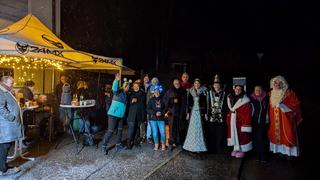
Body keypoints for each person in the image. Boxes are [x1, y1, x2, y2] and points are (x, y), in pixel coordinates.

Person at [268, 75, 302, 158]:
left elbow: (296, 105)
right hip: (275, 119)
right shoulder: (271, 93)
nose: (277, 85)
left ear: (283, 84)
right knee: (276, 135)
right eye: (275, 83)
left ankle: (289, 153)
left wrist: (283, 106)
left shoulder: (289, 93)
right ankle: (280, 151)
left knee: (288, 134)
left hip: (286, 119)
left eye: (280, 83)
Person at [101, 73, 130, 154]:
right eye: (126, 86)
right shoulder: (118, 92)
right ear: (123, 86)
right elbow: (114, 88)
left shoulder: (126, 95)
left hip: (121, 115)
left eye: (128, 87)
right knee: (110, 131)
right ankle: (104, 146)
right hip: (113, 114)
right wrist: (116, 80)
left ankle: (118, 144)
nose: (127, 88)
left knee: (120, 130)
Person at [0, 76, 22, 175]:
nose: (13, 85)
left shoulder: (5, 90)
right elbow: (1, 108)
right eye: (11, 83)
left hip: (8, 124)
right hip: (6, 124)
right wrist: (11, 117)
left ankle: (2, 166)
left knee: (5, 145)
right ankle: (2, 169)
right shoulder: (1, 92)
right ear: (4, 83)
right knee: (5, 145)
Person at [226, 77, 252, 158]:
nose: (237, 90)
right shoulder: (231, 98)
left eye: (239, 89)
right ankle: (235, 149)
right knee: (234, 135)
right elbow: (231, 110)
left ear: (242, 90)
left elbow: (247, 114)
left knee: (241, 136)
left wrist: (245, 125)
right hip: (233, 121)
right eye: (236, 89)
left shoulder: (245, 101)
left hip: (241, 122)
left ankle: (242, 150)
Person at [183, 78, 207, 153]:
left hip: (200, 113)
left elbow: (206, 103)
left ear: (200, 84)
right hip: (193, 112)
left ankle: (199, 147)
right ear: (193, 84)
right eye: (195, 83)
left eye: (198, 83)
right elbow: (188, 103)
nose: (197, 85)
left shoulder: (203, 92)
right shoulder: (190, 91)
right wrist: (187, 113)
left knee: (199, 129)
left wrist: (206, 113)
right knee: (192, 129)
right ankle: (190, 146)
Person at [163, 78, 187, 152]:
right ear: (173, 83)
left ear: (179, 83)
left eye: (178, 82)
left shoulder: (183, 91)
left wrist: (185, 112)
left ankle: (179, 143)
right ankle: (171, 144)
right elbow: (165, 100)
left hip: (180, 113)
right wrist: (172, 101)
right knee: (172, 129)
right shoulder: (170, 91)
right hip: (172, 113)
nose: (176, 83)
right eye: (175, 82)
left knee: (180, 129)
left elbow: (185, 102)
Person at [205, 74, 227, 153]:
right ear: (213, 85)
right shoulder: (209, 93)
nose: (217, 86)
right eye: (215, 84)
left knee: (220, 133)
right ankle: (211, 148)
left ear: (220, 85)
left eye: (218, 84)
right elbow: (206, 104)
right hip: (212, 116)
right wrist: (206, 114)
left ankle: (219, 148)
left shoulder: (224, 93)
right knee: (211, 133)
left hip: (221, 116)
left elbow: (226, 105)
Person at [250, 85, 269, 162]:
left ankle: (263, 156)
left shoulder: (266, 99)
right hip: (254, 123)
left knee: (262, 138)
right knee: (255, 139)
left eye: (259, 90)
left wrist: (267, 120)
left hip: (263, 122)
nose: (258, 91)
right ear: (254, 91)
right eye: (256, 90)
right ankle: (257, 156)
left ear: (262, 90)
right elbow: (249, 112)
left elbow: (268, 110)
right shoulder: (251, 99)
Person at [126, 82, 146, 149]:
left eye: (137, 86)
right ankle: (128, 144)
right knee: (131, 129)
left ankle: (135, 142)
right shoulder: (130, 93)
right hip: (131, 115)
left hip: (139, 115)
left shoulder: (143, 94)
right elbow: (127, 103)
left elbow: (144, 104)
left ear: (139, 87)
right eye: (134, 86)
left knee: (137, 129)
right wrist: (132, 101)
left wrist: (138, 100)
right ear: (133, 87)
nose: (136, 87)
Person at [147, 85, 166, 150]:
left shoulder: (163, 99)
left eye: (157, 91)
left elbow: (165, 108)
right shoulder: (151, 99)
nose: (156, 92)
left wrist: (161, 113)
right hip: (153, 119)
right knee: (155, 133)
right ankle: (156, 144)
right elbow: (147, 109)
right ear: (153, 92)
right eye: (155, 91)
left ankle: (163, 144)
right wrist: (155, 113)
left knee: (162, 133)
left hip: (161, 119)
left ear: (159, 91)